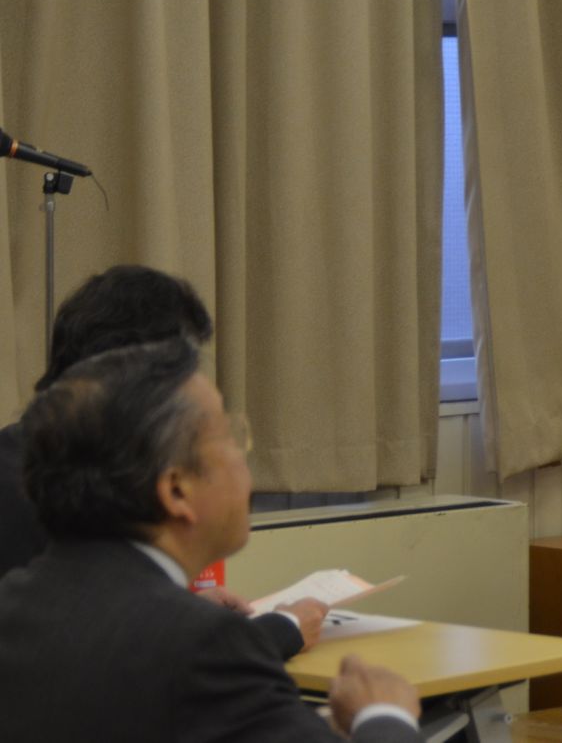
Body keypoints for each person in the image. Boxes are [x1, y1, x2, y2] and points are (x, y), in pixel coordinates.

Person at [0, 337, 421, 742]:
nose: (243, 456)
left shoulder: (15, 601)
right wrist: (385, 714)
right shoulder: (204, 645)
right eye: (229, 436)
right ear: (176, 490)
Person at [0, 265, 323, 658]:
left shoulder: (30, 453)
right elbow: (104, 655)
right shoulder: (77, 481)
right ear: (137, 379)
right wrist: (282, 630)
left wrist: (178, 606)